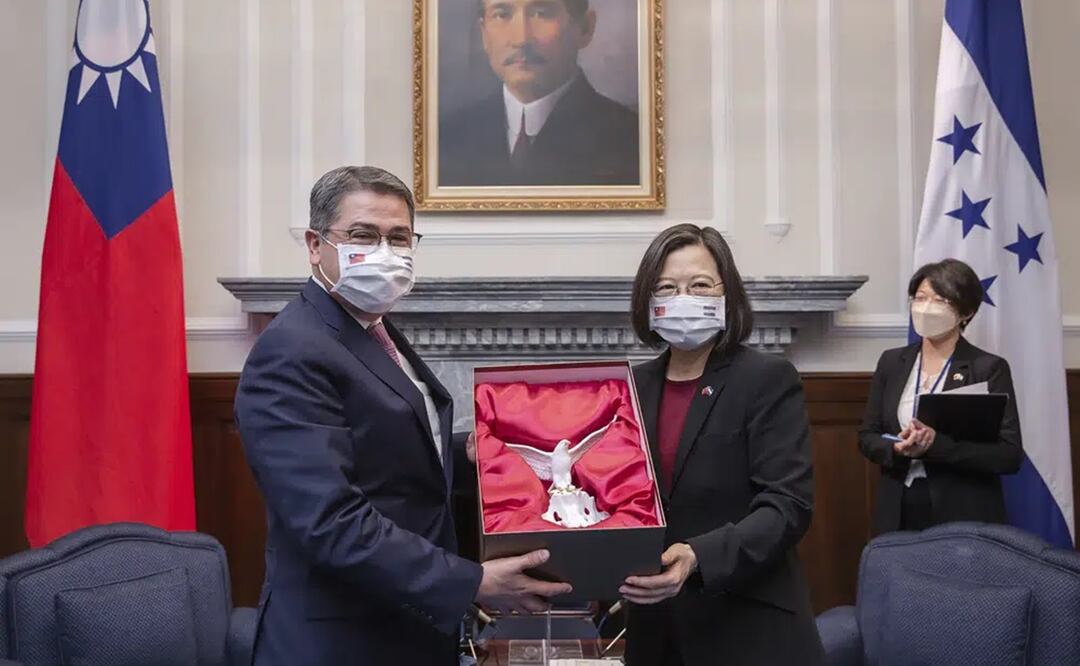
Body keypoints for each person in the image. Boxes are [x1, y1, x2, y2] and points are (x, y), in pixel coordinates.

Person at [235, 166, 571, 665]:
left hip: (405, 628)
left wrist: (474, 453)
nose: (385, 252)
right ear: (314, 245)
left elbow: (386, 453)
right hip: (341, 642)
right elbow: (330, 521)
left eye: (398, 238)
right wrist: (471, 583)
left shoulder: (369, 328)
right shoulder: (292, 350)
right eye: (363, 235)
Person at [619, 224, 824, 665]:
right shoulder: (631, 386)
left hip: (747, 627)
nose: (683, 298)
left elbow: (787, 505)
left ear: (726, 294)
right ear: (647, 301)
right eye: (666, 287)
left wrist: (699, 556)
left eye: (699, 285)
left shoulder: (766, 379)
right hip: (656, 632)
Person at [859, 258, 1022, 534]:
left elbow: (1009, 456)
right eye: (920, 298)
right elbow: (867, 436)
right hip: (898, 506)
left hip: (964, 511)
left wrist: (936, 446)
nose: (926, 308)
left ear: (966, 312)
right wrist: (896, 449)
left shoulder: (987, 368)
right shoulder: (892, 362)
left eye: (940, 300)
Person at [439, 0, 640, 187]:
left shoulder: (631, 140)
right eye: (502, 15)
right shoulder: (447, 137)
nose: (521, 39)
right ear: (484, 34)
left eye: (541, 14)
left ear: (585, 28)